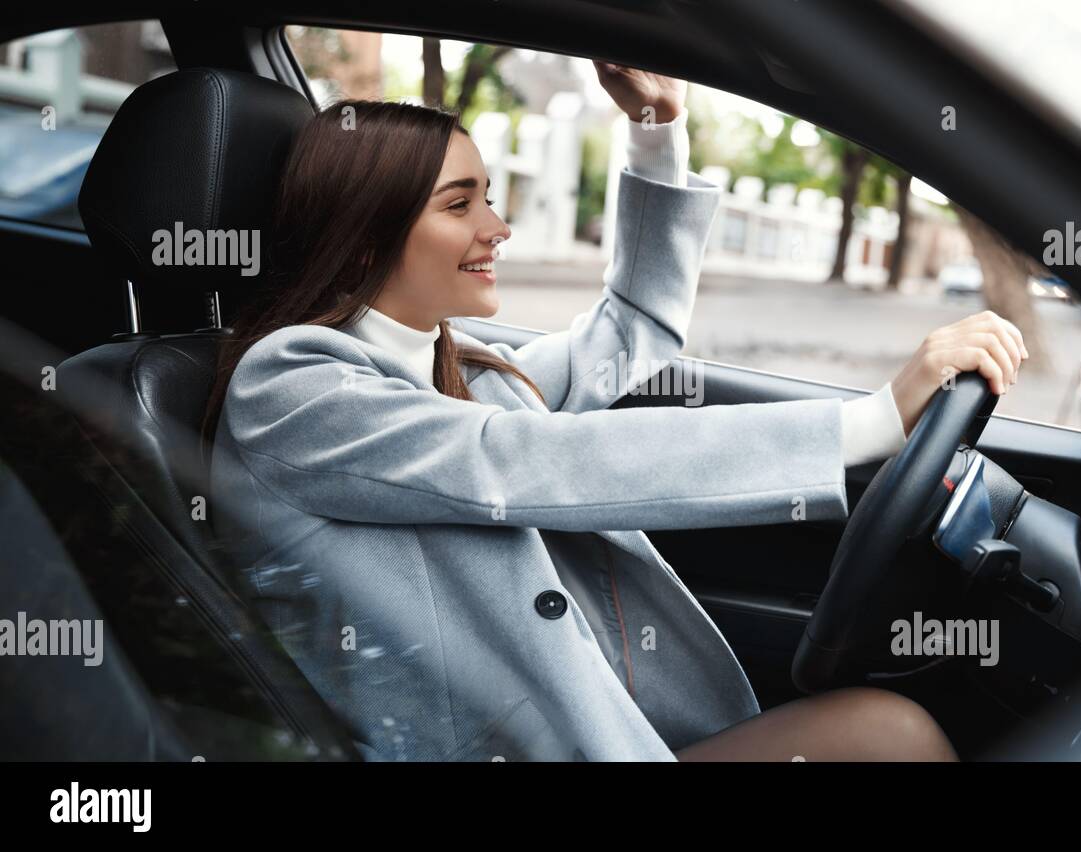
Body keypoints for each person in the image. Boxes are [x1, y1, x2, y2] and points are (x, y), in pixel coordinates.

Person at [204, 61, 1026, 762]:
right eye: (461, 206)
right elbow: (523, 462)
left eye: (489, 196)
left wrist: (655, 129)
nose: (500, 226)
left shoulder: (470, 372)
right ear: (361, 238)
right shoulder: (292, 386)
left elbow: (628, 329)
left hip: (613, 736)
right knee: (891, 738)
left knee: (888, 735)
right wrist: (871, 423)